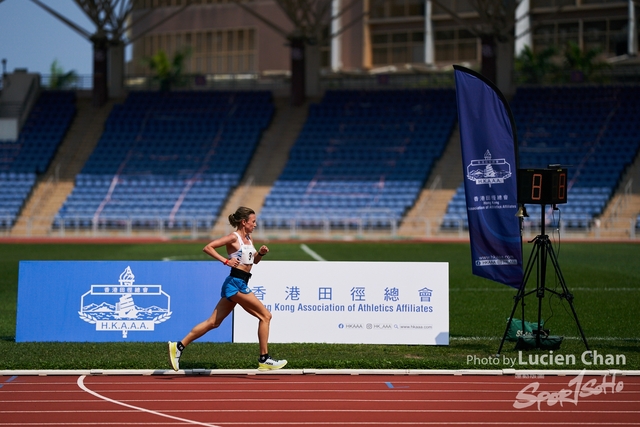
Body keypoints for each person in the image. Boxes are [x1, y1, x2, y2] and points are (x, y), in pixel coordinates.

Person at [168, 206, 287, 371]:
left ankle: (178, 347)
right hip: (235, 283)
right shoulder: (233, 238)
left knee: (213, 322)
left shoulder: (249, 239)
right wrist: (226, 261)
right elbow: (208, 247)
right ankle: (264, 358)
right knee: (266, 316)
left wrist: (260, 253)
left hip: (240, 283)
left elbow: (254, 262)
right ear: (244, 222)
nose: (255, 224)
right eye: (253, 222)